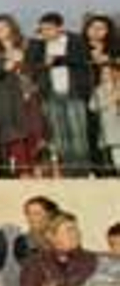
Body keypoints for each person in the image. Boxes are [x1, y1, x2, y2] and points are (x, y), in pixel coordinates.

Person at [26, 11, 95, 173]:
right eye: (42, 29)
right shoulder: (38, 45)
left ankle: (83, 169)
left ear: (60, 28)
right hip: (50, 94)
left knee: (78, 133)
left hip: (74, 93)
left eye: (49, 28)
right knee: (59, 134)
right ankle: (68, 169)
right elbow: (29, 65)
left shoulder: (75, 41)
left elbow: (81, 60)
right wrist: (40, 52)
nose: (46, 32)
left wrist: (58, 60)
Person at [0, 14, 41, 176]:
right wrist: (4, 65)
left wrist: (22, 60)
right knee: (15, 138)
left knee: (36, 134)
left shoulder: (29, 45)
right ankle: (23, 172)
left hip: (30, 95)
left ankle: (39, 169)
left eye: (3, 27)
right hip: (7, 100)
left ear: (12, 27)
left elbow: (39, 65)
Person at [85, 13, 120, 171]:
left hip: (112, 94)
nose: (96, 31)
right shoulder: (80, 48)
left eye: (101, 28)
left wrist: (107, 62)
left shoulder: (115, 49)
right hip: (90, 96)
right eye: (93, 27)